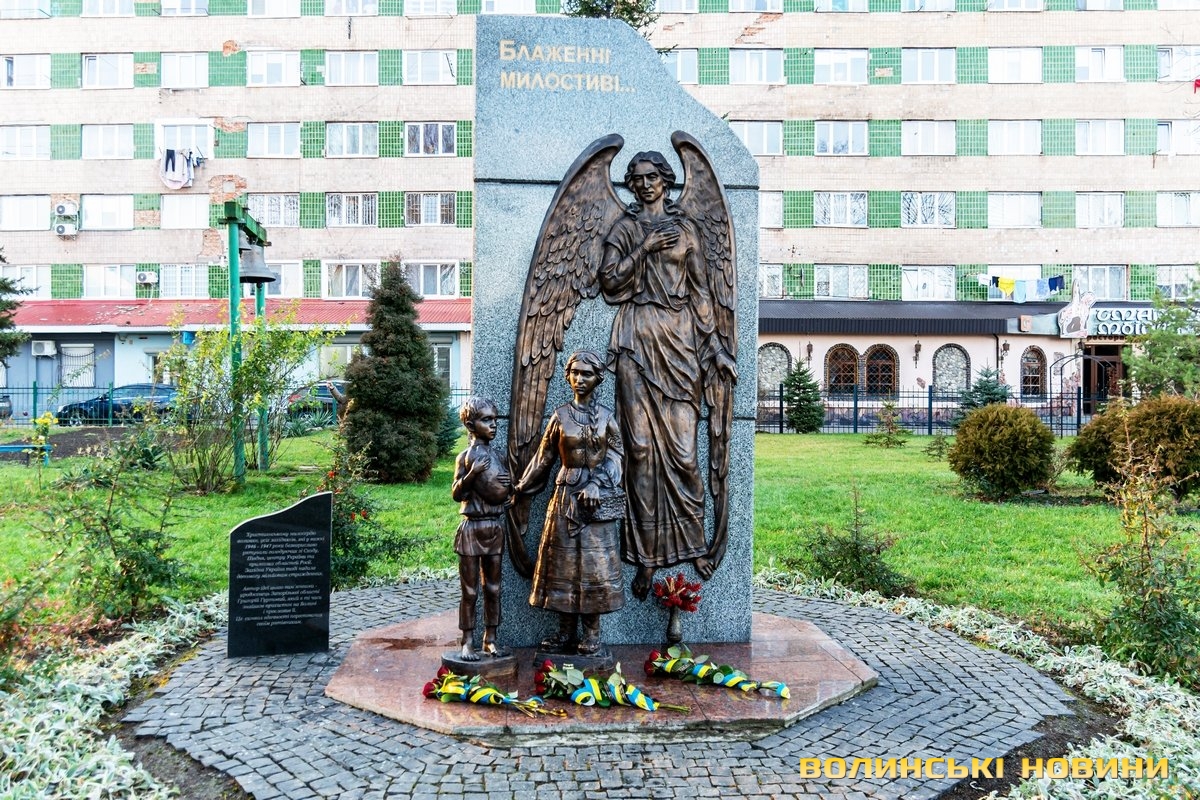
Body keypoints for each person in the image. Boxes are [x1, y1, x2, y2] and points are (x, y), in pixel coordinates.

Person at [598, 152, 738, 600]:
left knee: (684, 453)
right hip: (635, 339)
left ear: (666, 181)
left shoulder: (687, 231)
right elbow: (609, 282)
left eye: (651, 177)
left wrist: (715, 347)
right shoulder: (624, 229)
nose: (644, 185)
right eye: (636, 179)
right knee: (639, 451)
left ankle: (692, 542)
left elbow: (701, 294)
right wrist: (644, 248)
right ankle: (646, 557)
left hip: (679, 342)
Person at [513, 350, 625, 655]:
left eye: (586, 374)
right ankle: (564, 632)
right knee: (563, 564)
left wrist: (597, 482)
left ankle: (592, 632)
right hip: (565, 497)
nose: (579, 379)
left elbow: (617, 456)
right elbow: (543, 458)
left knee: (593, 566)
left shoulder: (607, 418)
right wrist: (520, 487)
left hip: (595, 503)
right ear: (567, 376)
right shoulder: (560, 416)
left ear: (598, 378)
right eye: (575, 373)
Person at [450, 396, 510, 661]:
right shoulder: (464, 457)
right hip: (472, 528)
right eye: (487, 420)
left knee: (493, 588)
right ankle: (467, 641)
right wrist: (472, 474)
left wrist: (510, 489)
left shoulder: (499, 456)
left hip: (494, 527)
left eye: (495, 420)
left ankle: (491, 639)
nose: (493, 425)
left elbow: (505, 494)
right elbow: (456, 493)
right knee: (470, 589)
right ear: (470, 425)